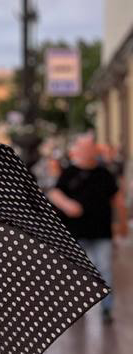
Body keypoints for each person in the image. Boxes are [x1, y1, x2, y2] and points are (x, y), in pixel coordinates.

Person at [47, 132, 125, 323]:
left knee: (105, 270)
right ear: (77, 150)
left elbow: (117, 199)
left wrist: (122, 224)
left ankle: (106, 309)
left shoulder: (104, 173)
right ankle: (78, 307)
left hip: (101, 231)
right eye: (82, 147)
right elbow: (55, 193)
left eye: (89, 147)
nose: (86, 151)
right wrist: (67, 204)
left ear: (94, 149)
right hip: (76, 232)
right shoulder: (68, 173)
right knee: (77, 272)